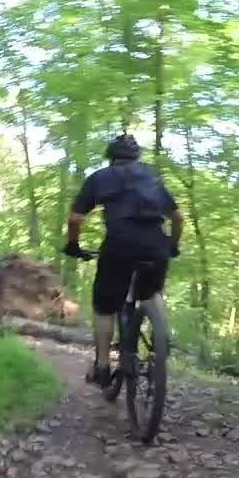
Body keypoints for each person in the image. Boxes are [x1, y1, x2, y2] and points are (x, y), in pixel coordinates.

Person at [63, 134, 183, 386]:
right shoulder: (152, 177)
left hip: (119, 243)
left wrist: (74, 246)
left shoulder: (100, 177)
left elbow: (75, 219)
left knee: (105, 305)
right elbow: (178, 218)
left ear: (110, 158)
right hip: (155, 244)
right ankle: (163, 338)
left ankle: (103, 366)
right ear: (137, 157)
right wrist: (171, 247)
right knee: (152, 291)